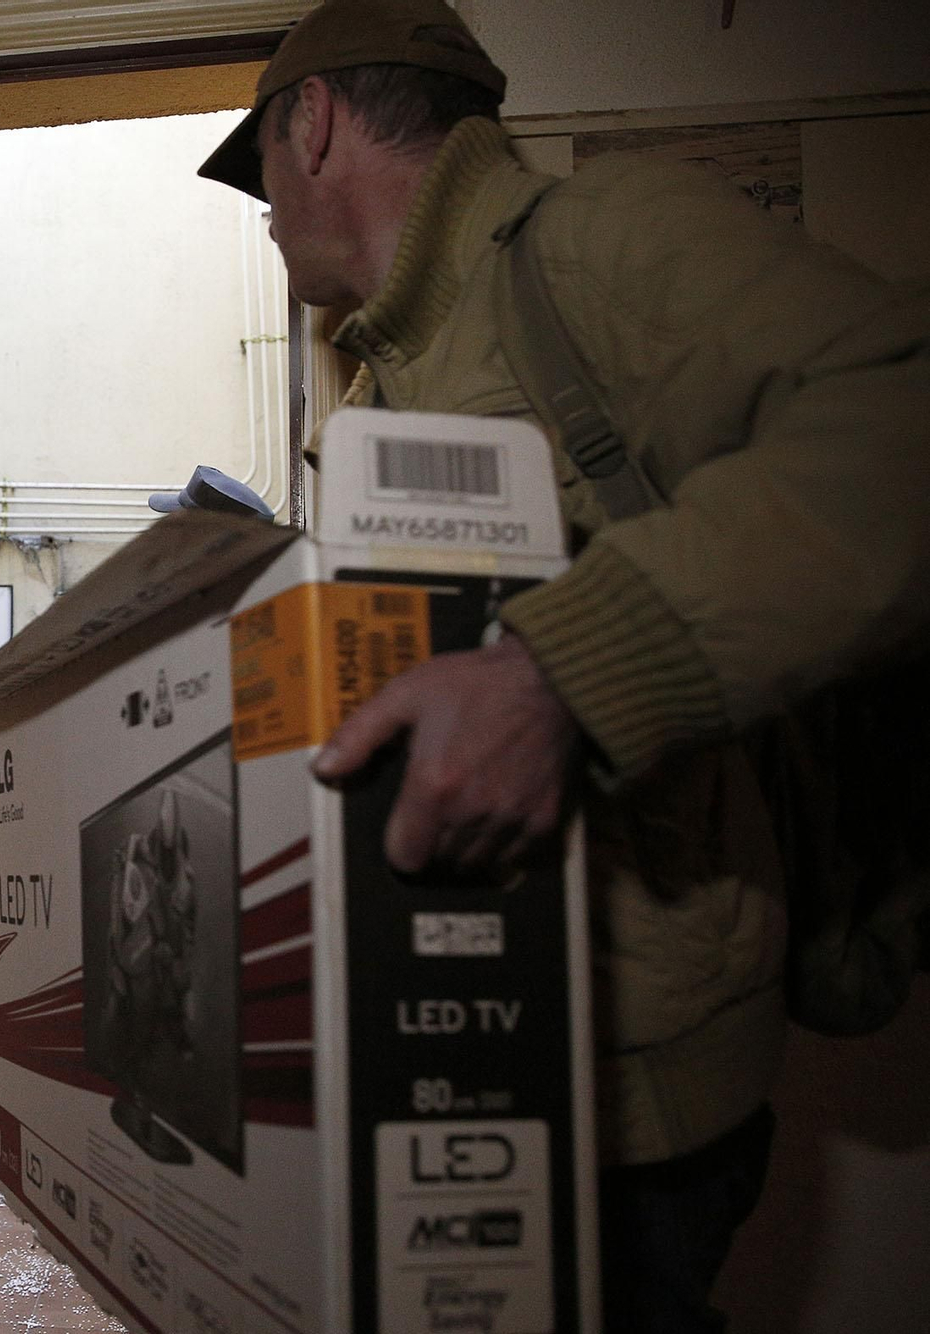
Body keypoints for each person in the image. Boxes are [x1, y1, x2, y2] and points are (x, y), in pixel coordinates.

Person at [197, 2, 930, 1329]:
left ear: (311, 124)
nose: (261, 218)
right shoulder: (379, 389)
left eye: (258, 175)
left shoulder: (591, 244)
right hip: (456, 1057)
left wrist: (567, 675)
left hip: (634, 1109)